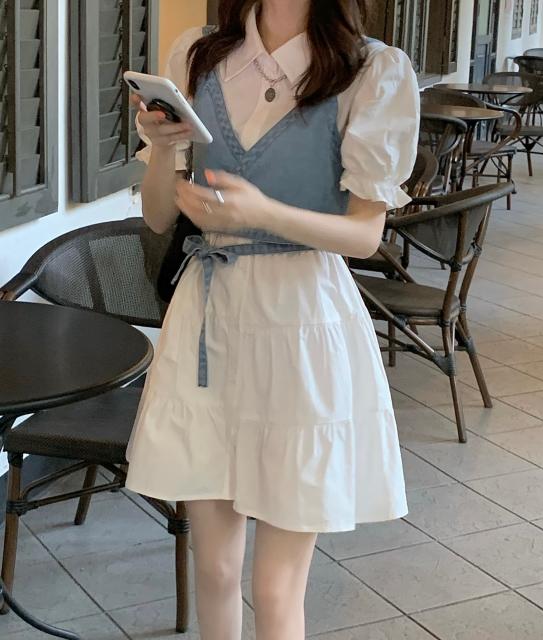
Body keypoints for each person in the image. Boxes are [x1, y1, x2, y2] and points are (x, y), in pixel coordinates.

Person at [126, 0, 419, 638]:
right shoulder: (199, 55)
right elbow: (156, 217)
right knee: (214, 570)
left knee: (276, 586)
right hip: (209, 318)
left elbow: (365, 235)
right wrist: (164, 150)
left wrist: (260, 214)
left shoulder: (369, 70)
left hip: (303, 320)